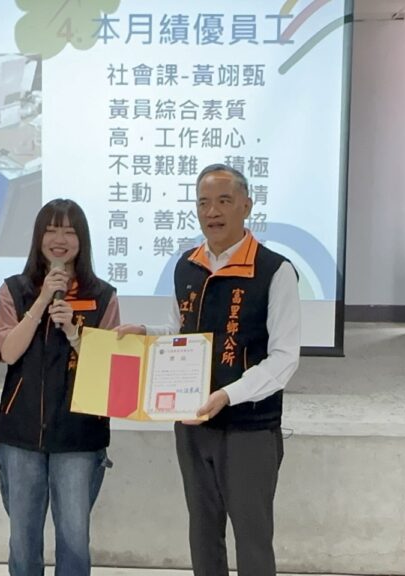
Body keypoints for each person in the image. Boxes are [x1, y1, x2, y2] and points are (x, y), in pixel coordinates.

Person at [116, 164, 301, 576]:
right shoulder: (187, 265)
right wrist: (145, 334)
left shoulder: (275, 270)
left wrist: (228, 395)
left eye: (223, 201)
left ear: (246, 206)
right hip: (192, 423)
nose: (212, 212)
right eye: (203, 202)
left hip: (249, 429)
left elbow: (285, 357)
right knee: (203, 532)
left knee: (252, 538)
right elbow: (181, 331)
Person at [0, 199, 120, 576]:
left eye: (69, 231)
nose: (59, 239)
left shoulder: (102, 295)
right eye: (50, 230)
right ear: (38, 238)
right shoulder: (14, 290)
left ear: (82, 240)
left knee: (74, 539)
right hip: (21, 432)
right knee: (23, 540)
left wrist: (75, 333)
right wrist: (42, 300)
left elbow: (111, 366)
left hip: (80, 433)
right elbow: (9, 352)